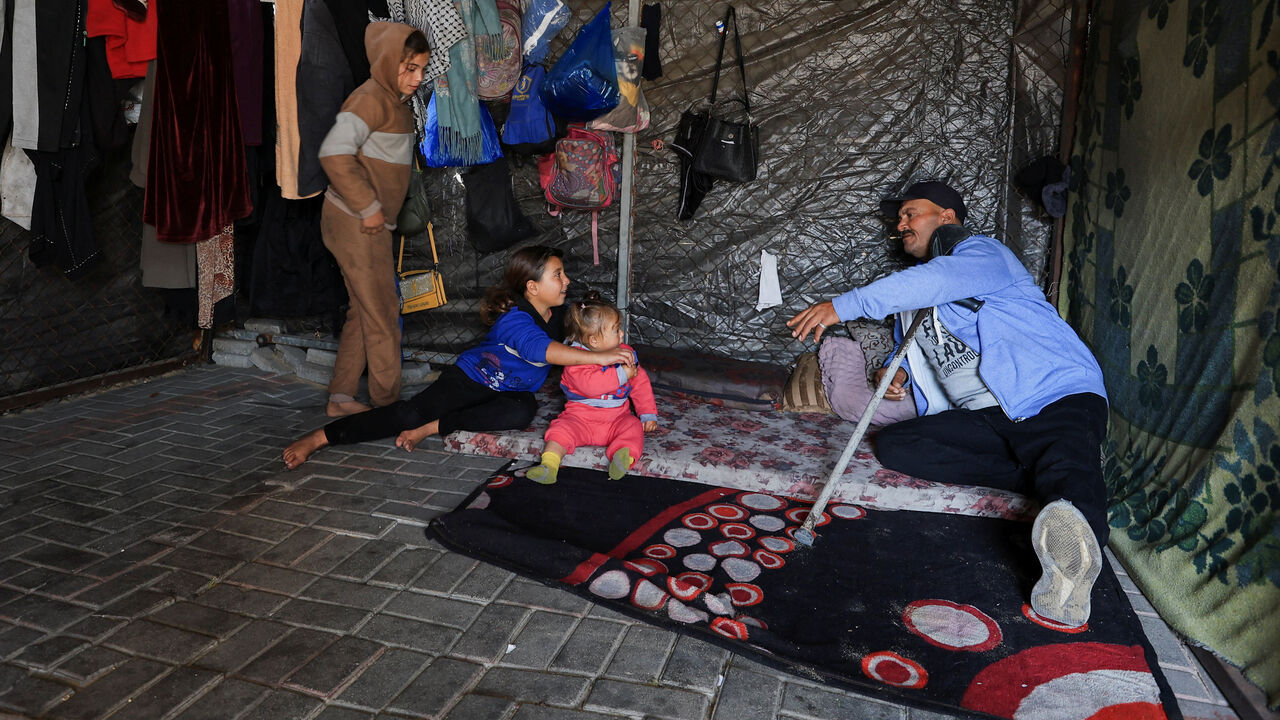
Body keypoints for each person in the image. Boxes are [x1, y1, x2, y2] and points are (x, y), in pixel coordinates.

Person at [787, 181, 1109, 628]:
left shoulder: (983, 255)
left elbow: (937, 280)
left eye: (911, 213)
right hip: (989, 415)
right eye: (898, 219)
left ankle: (1069, 580)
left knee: (1068, 467)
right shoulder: (911, 303)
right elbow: (911, 355)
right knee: (900, 445)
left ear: (947, 217)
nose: (900, 225)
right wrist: (893, 377)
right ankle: (1046, 481)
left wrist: (844, 306)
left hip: (1051, 392)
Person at [283, 246, 635, 469]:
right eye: (557, 275)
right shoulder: (516, 316)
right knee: (407, 412)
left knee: (523, 410)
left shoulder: (559, 316)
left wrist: (611, 349)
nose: (566, 281)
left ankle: (432, 429)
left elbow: (592, 333)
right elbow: (539, 351)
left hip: (509, 390)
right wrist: (602, 359)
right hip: (471, 378)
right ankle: (321, 437)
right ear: (532, 286)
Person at [315, 22, 430, 418]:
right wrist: (368, 207)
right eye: (408, 68)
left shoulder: (393, 100)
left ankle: (341, 398)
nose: (416, 78)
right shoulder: (368, 100)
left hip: (364, 222)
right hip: (356, 222)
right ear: (386, 61)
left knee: (364, 310)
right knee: (382, 311)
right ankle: (386, 406)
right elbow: (333, 153)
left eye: (421, 70)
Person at [526, 294, 659, 484]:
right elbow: (591, 386)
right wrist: (623, 374)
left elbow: (640, 382)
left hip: (616, 420)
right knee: (560, 430)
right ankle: (550, 463)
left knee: (633, 427)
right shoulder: (574, 359)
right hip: (580, 421)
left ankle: (623, 458)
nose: (621, 334)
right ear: (594, 341)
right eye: (615, 330)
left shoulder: (624, 353)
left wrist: (647, 413)